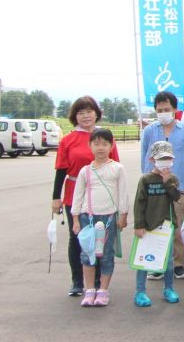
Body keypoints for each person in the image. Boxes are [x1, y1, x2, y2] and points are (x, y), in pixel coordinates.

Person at [52, 96, 120, 297]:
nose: (86, 116)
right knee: (78, 238)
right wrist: (56, 197)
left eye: (89, 112)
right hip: (75, 193)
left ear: (96, 114)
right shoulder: (68, 140)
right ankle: (78, 281)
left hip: (102, 195)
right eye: (81, 112)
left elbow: (115, 169)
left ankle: (99, 280)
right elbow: (60, 170)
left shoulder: (106, 138)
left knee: (101, 238)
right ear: (75, 116)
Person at [140, 91, 184, 280]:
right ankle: (158, 263)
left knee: (177, 228)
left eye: (167, 109)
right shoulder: (149, 131)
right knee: (156, 227)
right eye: (159, 110)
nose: (163, 112)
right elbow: (144, 160)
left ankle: (178, 264)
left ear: (175, 110)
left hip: (178, 188)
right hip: (155, 189)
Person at [70, 128, 129, 307]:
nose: (100, 147)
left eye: (105, 144)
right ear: (90, 146)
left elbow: (123, 194)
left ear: (111, 146)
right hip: (88, 218)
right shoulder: (85, 171)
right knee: (87, 254)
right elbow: (77, 195)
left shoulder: (117, 168)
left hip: (109, 218)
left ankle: (103, 290)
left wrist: (123, 214)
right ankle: (89, 290)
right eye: (96, 144)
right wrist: (75, 219)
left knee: (106, 255)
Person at [133, 141, 182, 307]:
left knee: (167, 261)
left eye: (168, 159)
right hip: (147, 226)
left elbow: (176, 197)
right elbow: (139, 203)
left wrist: (167, 181)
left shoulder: (173, 178)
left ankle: (168, 288)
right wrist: (138, 225)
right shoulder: (146, 179)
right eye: (162, 159)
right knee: (143, 260)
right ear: (152, 159)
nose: (165, 162)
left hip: (166, 226)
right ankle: (140, 291)